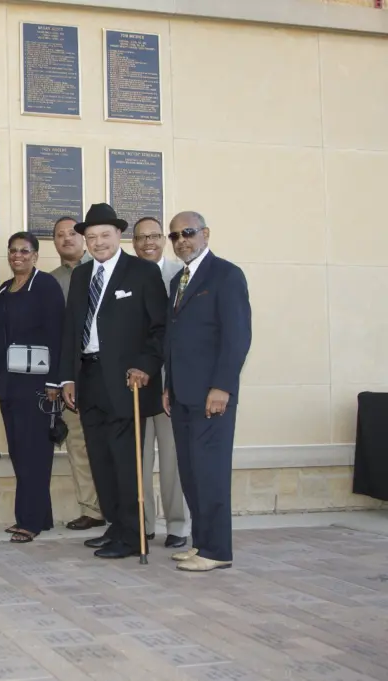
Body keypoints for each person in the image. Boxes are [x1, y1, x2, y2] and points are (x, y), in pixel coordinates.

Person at [53, 203, 167, 559]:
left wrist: (145, 367)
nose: (98, 242)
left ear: (119, 235)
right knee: (100, 459)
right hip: (89, 379)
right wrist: (67, 378)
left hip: (127, 382)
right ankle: (116, 527)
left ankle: (133, 535)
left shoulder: (143, 273)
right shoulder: (82, 276)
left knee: (125, 461)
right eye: (91, 237)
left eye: (105, 235)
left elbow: (160, 329)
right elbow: (71, 330)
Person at [164, 211, 251, 572]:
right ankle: (202, 544)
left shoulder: (226, 275)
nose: (181, 240)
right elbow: (174, 339)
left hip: (211, 396)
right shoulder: (178, 281)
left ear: (205, 234)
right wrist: (168, 386)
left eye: (188, 232)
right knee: (191, 472)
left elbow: (237, 337)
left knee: (211, 472)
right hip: (182, 395)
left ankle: (217, 551)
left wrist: (222, 386)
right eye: (175, 236)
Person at [0, 232, 65, 543]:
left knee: (35, 454)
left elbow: (58, 333)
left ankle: (29, 521)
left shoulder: (45, 286)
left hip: (38, 385)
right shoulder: (5, 289)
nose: (17, 256)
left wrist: (54, 382)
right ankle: (42, 516)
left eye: (24, 251)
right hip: (10, 384)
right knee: (20, 452)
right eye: (13, 251)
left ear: (35, 255)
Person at [131, 217, 191, 548]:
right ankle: (143, 523)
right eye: (141, 238)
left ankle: (179, 526)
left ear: (164, 240)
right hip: (138, 382)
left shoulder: (180, 275)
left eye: (154, 236)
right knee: (139, 459)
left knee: (172, 460)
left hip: (171, 383)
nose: (148, 243)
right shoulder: (127, 275)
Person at [48, 217, 104, 532]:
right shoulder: (51, 281)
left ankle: (120, 509)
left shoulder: (105, 269)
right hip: (73, 377)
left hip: (108, 375)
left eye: (73, 233)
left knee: (112, 444)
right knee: (79, 444)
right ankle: (92, 509)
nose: (67, 238)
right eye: (60, 235)